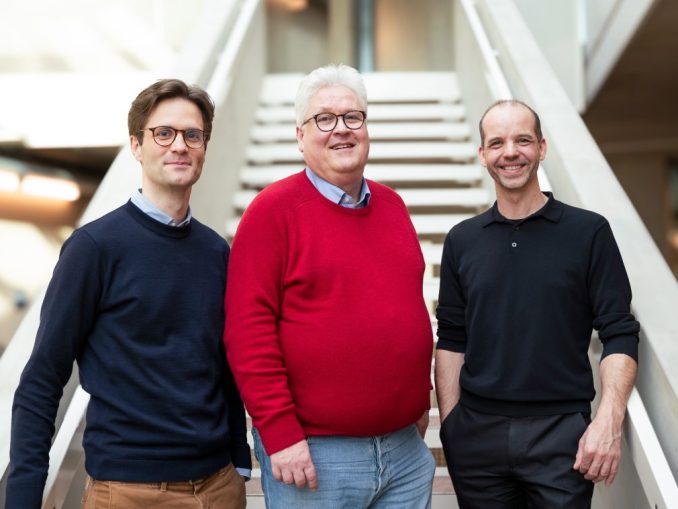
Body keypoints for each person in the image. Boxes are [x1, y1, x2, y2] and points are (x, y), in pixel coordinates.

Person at [7, 79, 251, 509]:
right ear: (137, 146)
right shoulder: (93, 248)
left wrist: (238, 457)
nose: (179, 145)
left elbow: (223, 364)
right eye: (164, 133)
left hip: (219, 488)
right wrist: (24, 495)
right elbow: (43, 378)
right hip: (130, 493)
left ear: (204, 148)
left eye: (192, 135)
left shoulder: (216, 251)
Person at [224, 64, 436, 509]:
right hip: (315, 457)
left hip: (403, 452)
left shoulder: (393, 206)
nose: (341, 130)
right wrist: (280, 434)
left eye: (352, 117)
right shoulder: (272, 213)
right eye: (324, 119)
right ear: (301, 135)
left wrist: (420, 399)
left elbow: (406, 310)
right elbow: (248, 332)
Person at [435, 99, 640, 508]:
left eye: (522, 140)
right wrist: (451, 427)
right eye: (497, 143)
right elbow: (452, 339)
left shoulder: (588, 232)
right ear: (483, 155)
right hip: (476, 436)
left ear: (541, 148)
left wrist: (608, 419)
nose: (510, 152)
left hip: (561, 435)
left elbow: (618, 332)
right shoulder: (462, 240)